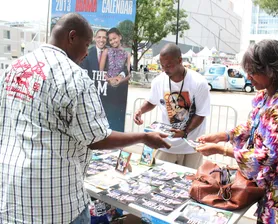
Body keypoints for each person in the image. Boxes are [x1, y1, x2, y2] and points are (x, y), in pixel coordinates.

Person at [0, 13, 170, 224]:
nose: (86, 52)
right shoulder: (74, 75)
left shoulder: (14, 69)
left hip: (10, 199)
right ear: (72, 37)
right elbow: (97, 138)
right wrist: (144, 138)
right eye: (87, 44)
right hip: (56, 206)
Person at [196, 39, 278, 224]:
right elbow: (252, 127)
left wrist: (221, 150)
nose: (248, 77)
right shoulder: (265, 94)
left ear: (272, 71)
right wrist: (222, 136)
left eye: (253, 71)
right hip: (270, 179)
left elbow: (268, 154)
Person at [133, 43, 211, 169]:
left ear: (180, 60)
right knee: (158, 179)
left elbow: (201, 113)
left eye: (169, 65)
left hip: (191, 145)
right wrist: (140, 110)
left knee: (189, 182)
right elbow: (152, 101)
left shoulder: (199, 82)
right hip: (166, 143)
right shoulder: (158, 81)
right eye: (162, 66)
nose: (165, 69)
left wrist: (184, 132)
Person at [99, 27, 131, 131]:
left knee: (118, 118)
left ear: (120, 37)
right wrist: (109, 80)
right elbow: (101, 71)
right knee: (107, 115)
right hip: (107, 90)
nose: (113, 41)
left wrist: (120, 81)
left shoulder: (127, 54)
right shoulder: (106, 51)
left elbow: (129, 74)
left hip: (121, 90)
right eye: (110, 40)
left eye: (115, 38)